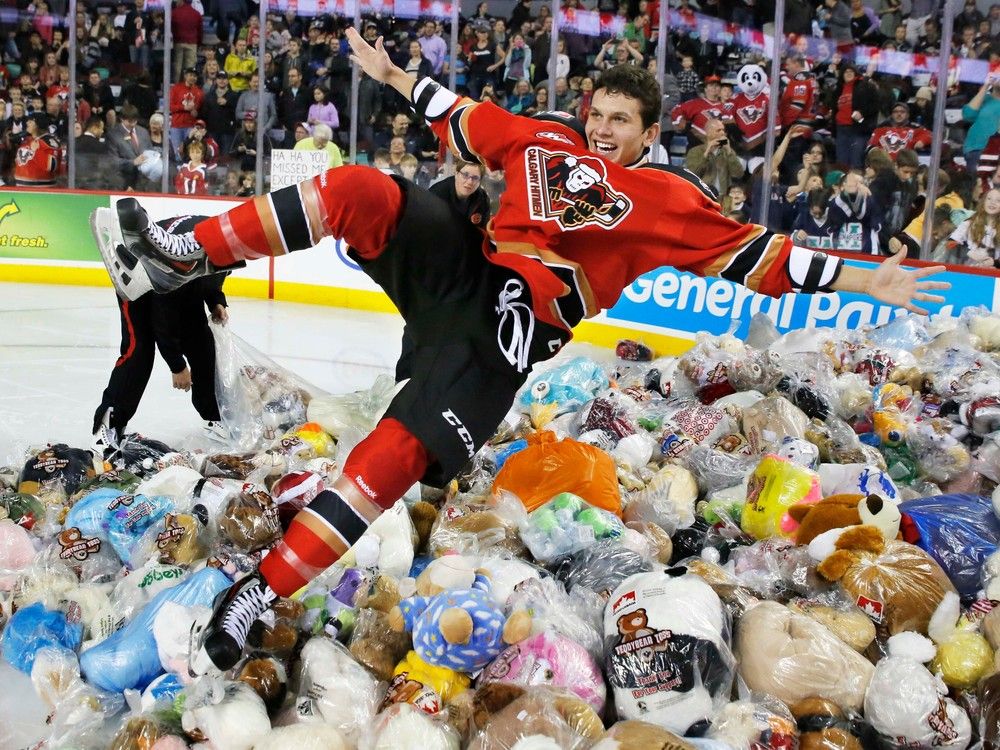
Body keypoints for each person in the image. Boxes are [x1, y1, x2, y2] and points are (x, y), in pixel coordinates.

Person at [92, 34, 949, 674]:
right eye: (599, 115)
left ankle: (261, 592)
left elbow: (760, 256)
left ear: (648, 134)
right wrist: (394, 78)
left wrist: (864, 281)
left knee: (395, 453)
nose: (604, 129)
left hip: (506, 323)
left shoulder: (664, 197)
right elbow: (461, 116)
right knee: (358, 188)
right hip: (460, 268)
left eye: (623, 121)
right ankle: (182, 252)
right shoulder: (542, 140)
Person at [91, 275, 230, 456]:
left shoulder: (227, 253)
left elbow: (211, 276)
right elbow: (163, 319)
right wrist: (177, 366)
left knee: (202, 344)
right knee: (139, 352)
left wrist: (216, 301)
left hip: (180, 281)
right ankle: (108, 428)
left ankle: (213, 416)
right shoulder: (180, 262)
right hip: (138, 283)